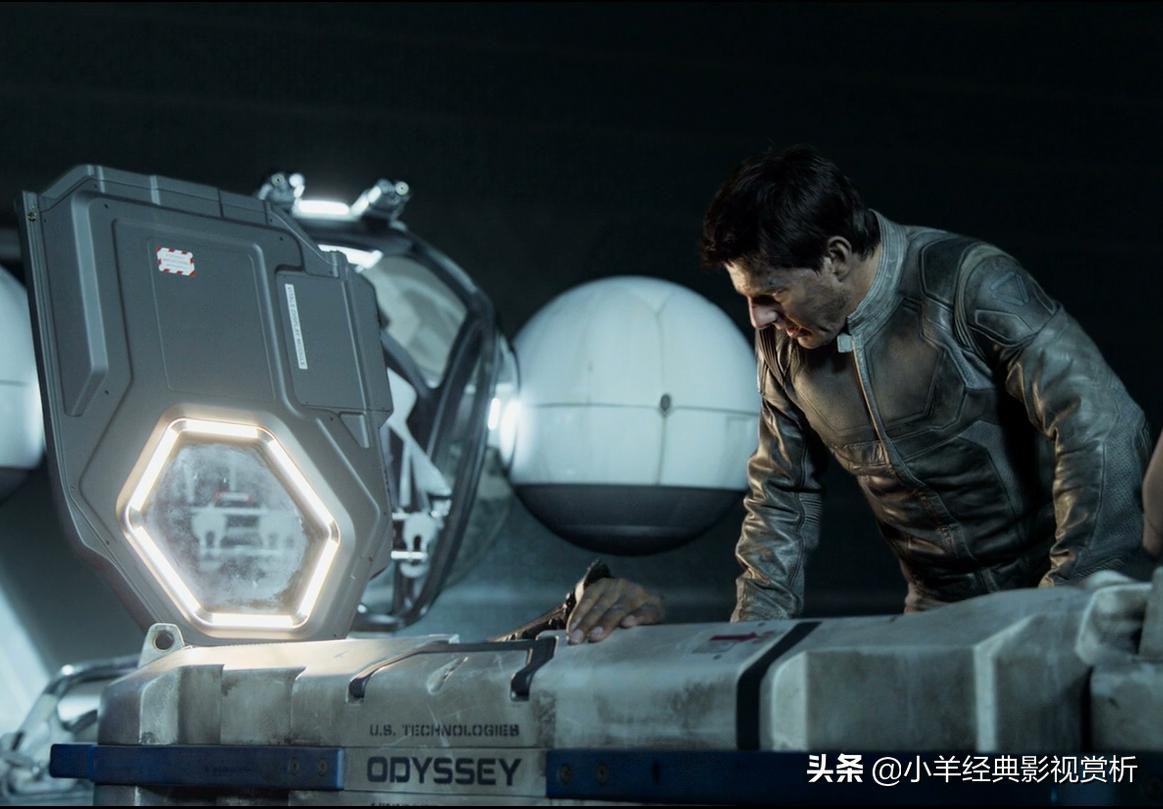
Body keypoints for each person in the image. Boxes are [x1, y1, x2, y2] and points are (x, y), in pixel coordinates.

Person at [565, 143, 1151, 644]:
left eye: (771, 294)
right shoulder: (783, 343)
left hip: (1058, 592)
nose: (758, 318)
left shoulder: (971, 283)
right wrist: (747, 646)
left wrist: (1068, 597)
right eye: (747, 297)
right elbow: (782, 497)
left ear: (836, 257)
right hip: (938, 616)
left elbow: (1100, 423)